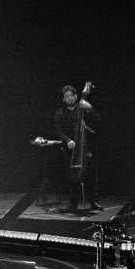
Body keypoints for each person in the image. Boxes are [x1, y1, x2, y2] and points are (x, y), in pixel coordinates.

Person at [53, 84, 102, 212]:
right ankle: (73, 204)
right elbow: (58, 131)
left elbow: (97, 121)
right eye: (66, 96)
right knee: (72, 176)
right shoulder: (60, 113)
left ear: (76, 96)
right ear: (63, 99)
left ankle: (93, 202)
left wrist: (90, 108)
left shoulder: (83, 108)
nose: (69, 98)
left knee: (90, 175)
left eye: (71, 95)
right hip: (70, 149)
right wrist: (68, 140)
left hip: (86, 147)